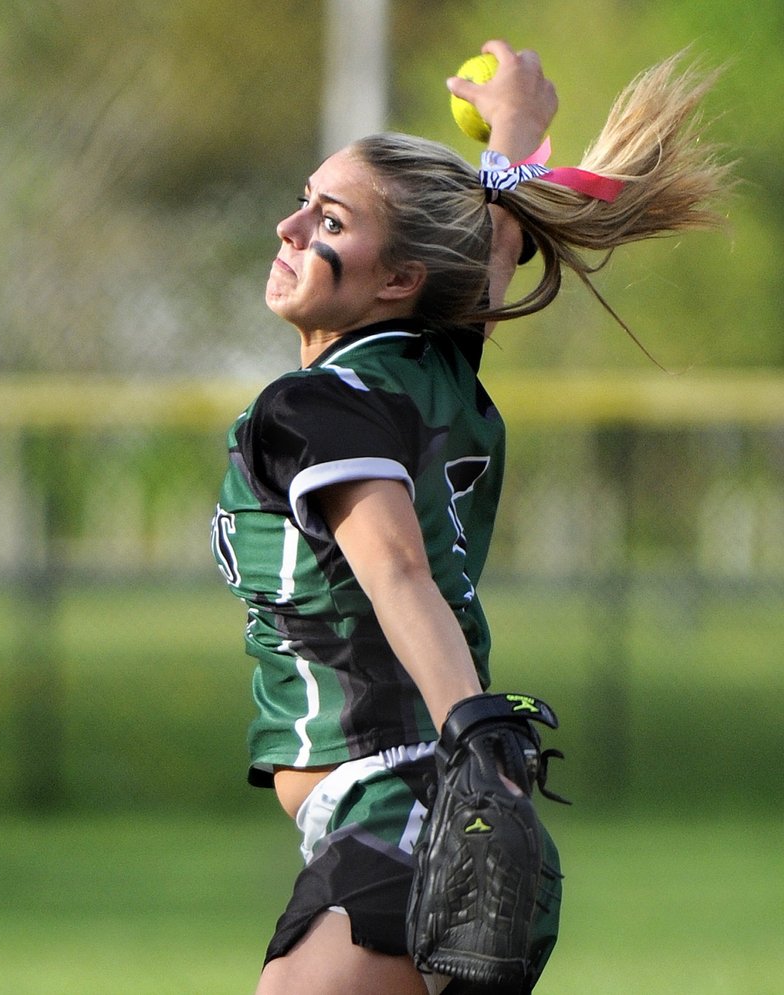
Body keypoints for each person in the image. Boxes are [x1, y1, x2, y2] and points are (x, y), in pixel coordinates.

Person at [211, 40, 729, 994]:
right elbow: (491, 246)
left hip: (409, 795)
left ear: (401, 279)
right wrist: (518, 132)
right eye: (303, 201)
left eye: (328, 219)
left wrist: (473, 731)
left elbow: (397, 569)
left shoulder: (314, 405)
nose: (288, 228)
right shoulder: (435, 362)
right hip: (429, 802)